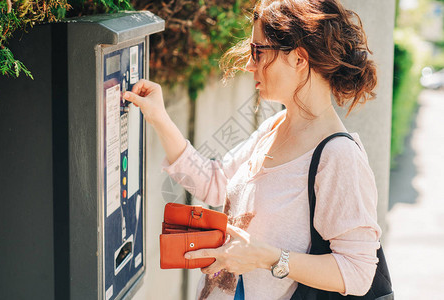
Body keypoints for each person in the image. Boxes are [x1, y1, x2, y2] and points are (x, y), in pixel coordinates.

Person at [123, 0, 381, 299]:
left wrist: (266, 257)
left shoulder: (339, 157)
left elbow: (358, 272)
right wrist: (159, 117)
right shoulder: (275, 126)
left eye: (258, 52)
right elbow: (214, 182)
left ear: (299, 58)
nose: (248, 64)